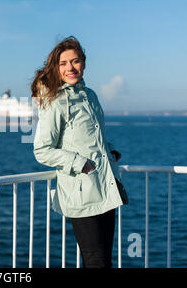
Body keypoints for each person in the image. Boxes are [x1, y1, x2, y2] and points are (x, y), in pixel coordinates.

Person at [31, 36, 128, 268]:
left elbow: (95, 135)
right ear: (56, 67)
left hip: (105, 186)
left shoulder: (91, 95)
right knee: (97, 261)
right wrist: (78, 162)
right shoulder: (55, 101)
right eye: (63, 63)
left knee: (101, 259)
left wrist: (111, 151)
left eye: (75, 61)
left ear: (84, 63)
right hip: (81, 191)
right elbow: (42, 150)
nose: (70, 68)